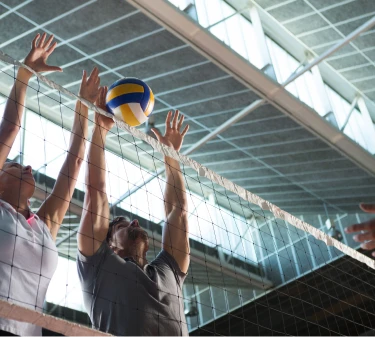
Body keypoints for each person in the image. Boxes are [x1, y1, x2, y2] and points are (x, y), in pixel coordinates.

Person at [0, 32, 101, 337]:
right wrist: (25, 74)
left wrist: (83, 108)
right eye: (14, 165)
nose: (28, 166)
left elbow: (74, 164)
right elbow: (10, 130)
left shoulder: (44, 226)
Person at [77, 87, 190, 337]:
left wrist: (171, 156)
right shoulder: (99, 267)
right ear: (109, 245)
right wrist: (101, 130)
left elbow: (178, 210)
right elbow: (96, 192)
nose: (134, 222)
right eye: (120, 225)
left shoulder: (169, 270)